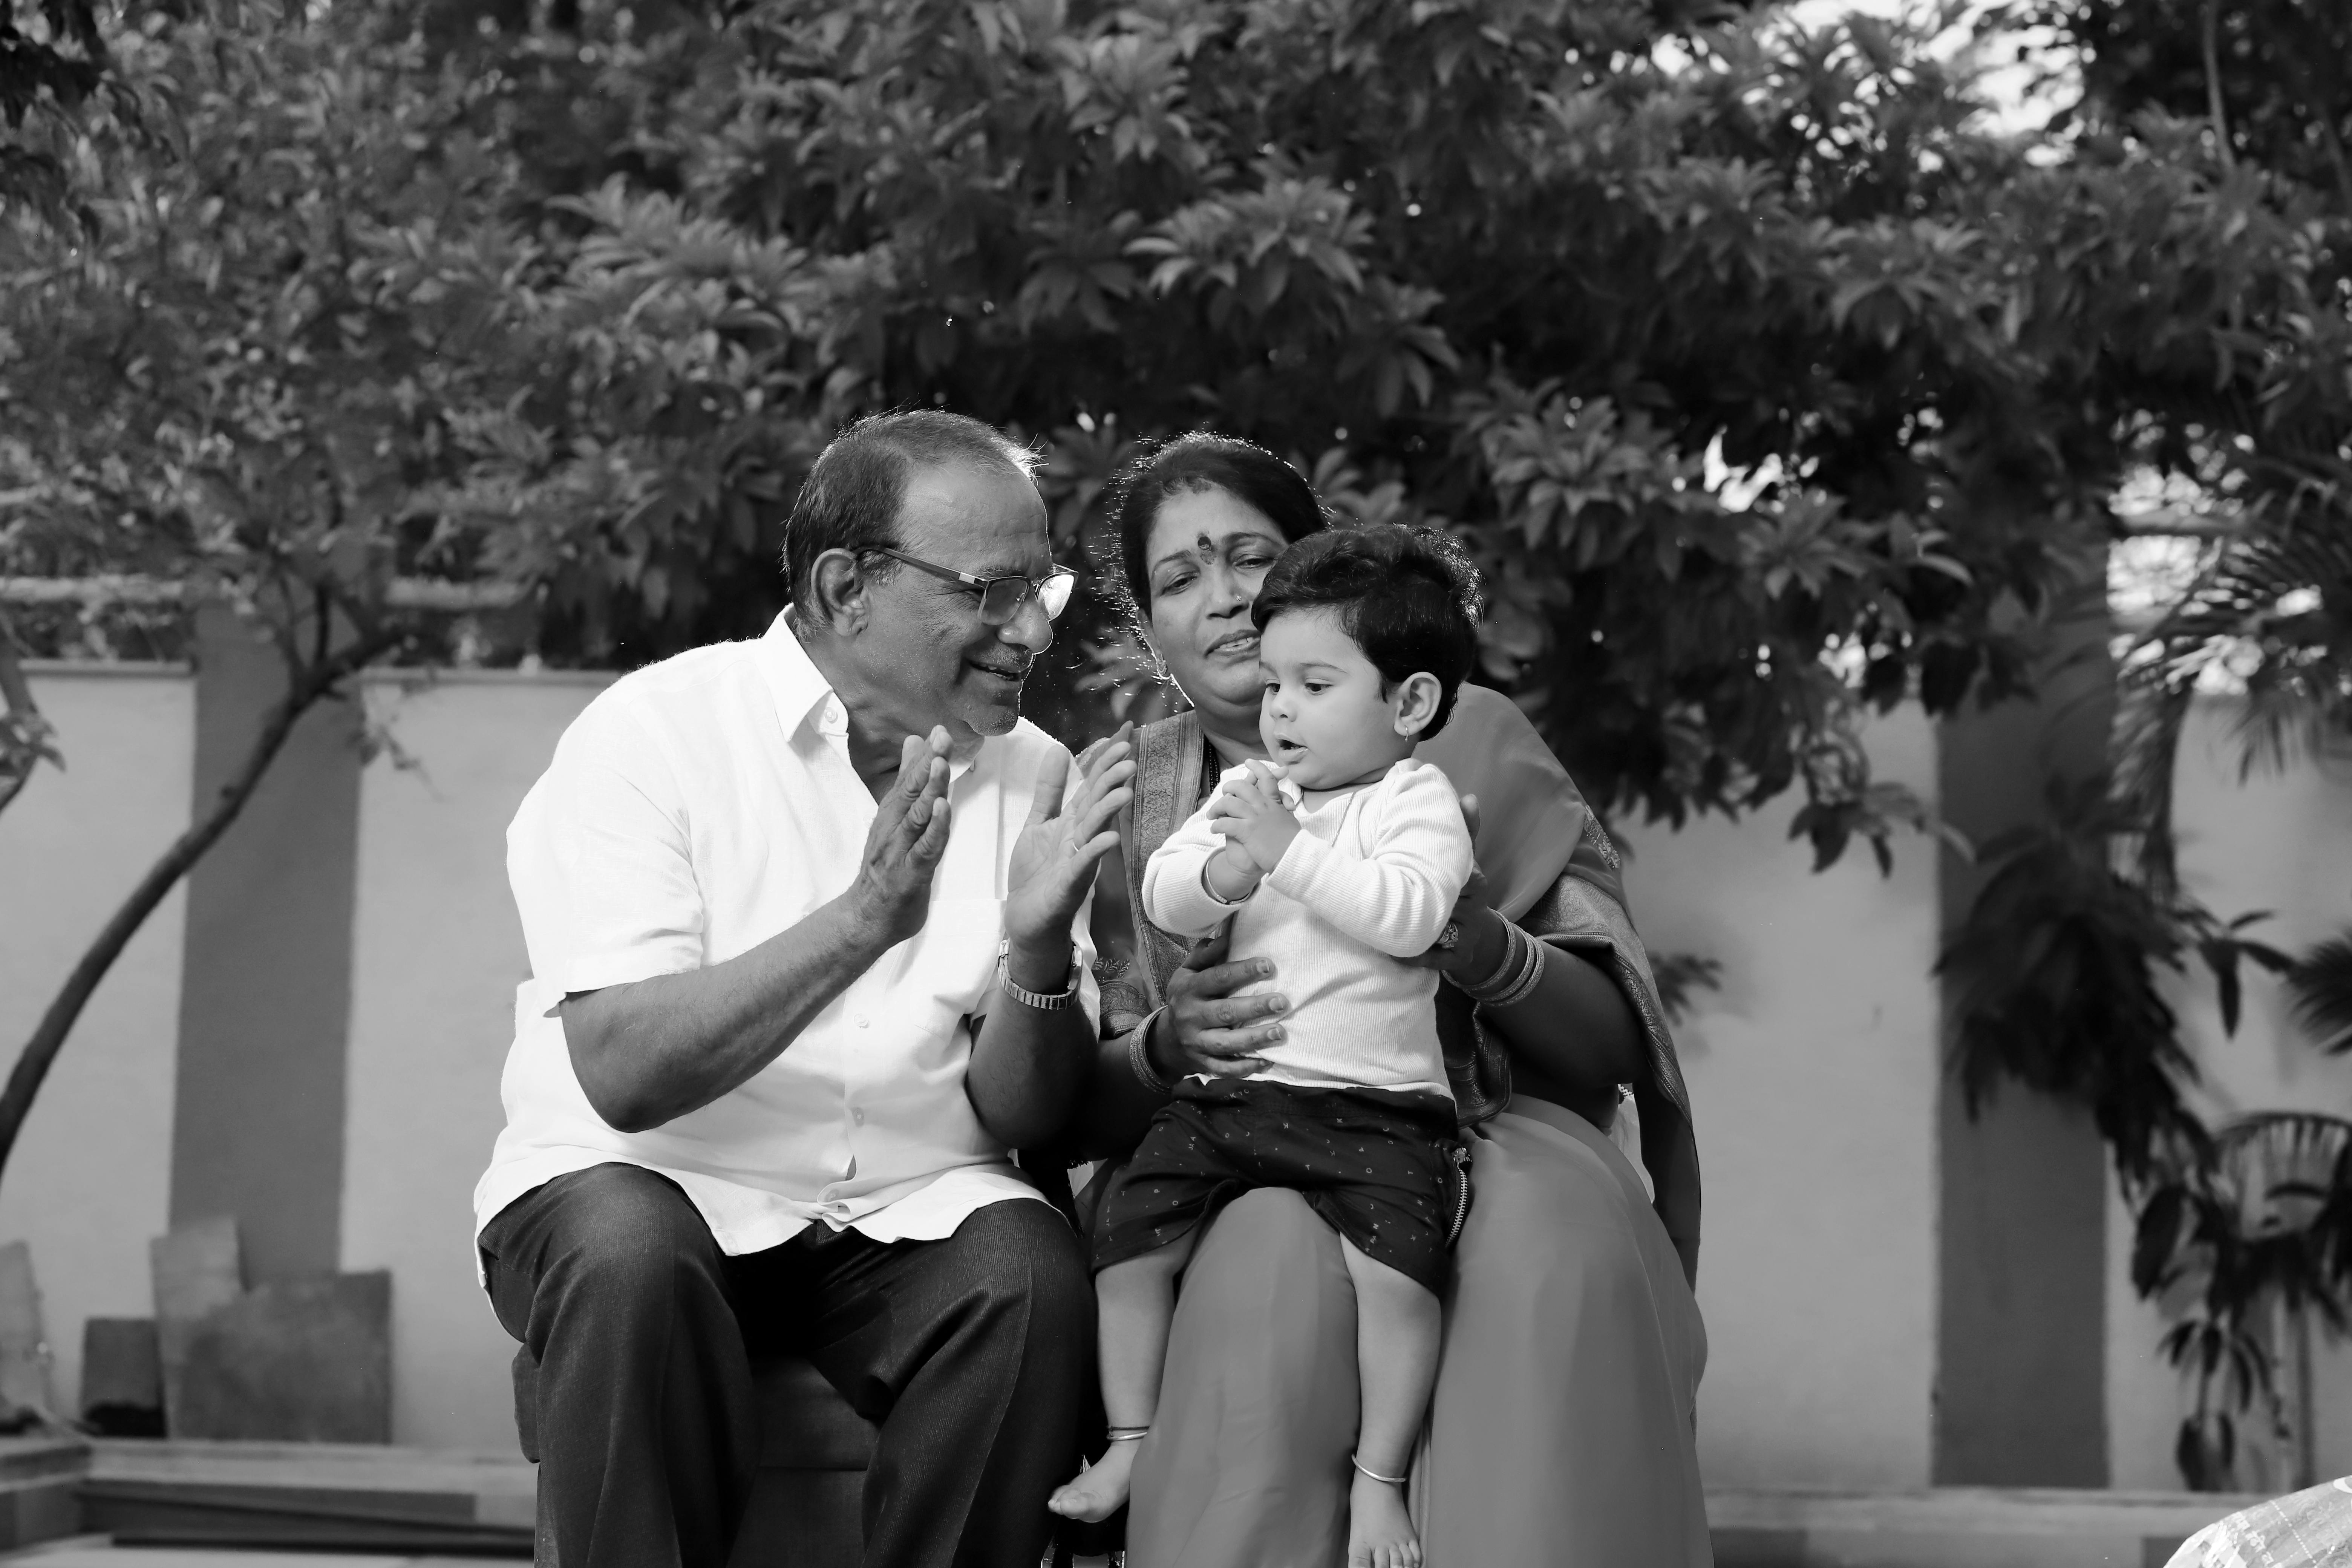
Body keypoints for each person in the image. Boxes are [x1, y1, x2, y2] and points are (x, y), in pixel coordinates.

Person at [470, 410, 1135, 1568]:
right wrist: (865, 919)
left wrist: (1035, 958)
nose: (1033, 629)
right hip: (647, 1182)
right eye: (992, 591)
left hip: (907, 1202)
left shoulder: (1036, 773)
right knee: (630, 1259)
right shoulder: (654, 734)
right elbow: (624, 1073)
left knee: (1026, 1273)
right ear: (844, 588)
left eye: (1044, 590)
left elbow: (1023, 1117)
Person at [1070, 432, 1713, 1567]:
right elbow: (1067, 1106)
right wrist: (1170, 1044)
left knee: (1552, 1256)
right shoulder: (1125, 794)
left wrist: (1474, 942)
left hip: (1465, 1119)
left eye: (1253, 558)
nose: (1226, 598)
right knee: (1262, 1280)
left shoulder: (1464, 741)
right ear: (1150, 629)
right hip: (1219, 1142)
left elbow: (1612, 1044)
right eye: (1179, 578)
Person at [1054, 525, 1484, 1568]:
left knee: (1399, 1283)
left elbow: (1411, 917)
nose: (1280, 708)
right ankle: (1130, 1442)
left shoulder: (1414, 801)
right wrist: (1225, 875)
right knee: (1127, 1244)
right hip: (1234, 1099)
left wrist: (1287, 857)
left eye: (1314, 685)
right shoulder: (1251, 794)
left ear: (1410, 704)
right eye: (1277, 683)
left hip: (1376, 1107)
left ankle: (1379, 1482)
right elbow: (1167, 892)